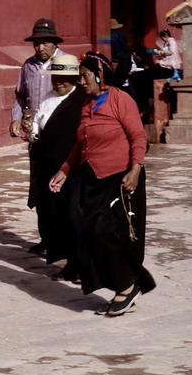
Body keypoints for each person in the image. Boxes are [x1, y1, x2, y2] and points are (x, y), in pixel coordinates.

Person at [49, 52, 156, 317]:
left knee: (106, 232)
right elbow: (81, 144)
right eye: (80, 77)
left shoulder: (121, 100)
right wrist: (65, 169)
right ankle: (121, 283)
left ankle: (128, 284)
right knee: (87, 232)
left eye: (85, 76)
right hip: (93, 180)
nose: (81, 82)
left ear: (99, 76)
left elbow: (138, 137)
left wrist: (135, 169)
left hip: (121, 178)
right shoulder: (87, 105)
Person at [22, 53, 86, 279]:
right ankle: (64, 260)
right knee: (52, 214)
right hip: (47, 166)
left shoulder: (82, 100)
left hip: (71, 168)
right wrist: (30, 129)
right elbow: (38, 126)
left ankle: (79, 264)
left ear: (74, 79)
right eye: (55, 78)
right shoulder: (48, 98)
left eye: (63, 79)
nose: (58, 83)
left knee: (73, 216)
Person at [10, 18, 64, 138]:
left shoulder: (67, 63)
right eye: (36, 44)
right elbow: (20, 96)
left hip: (59, 131)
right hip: (34, 132)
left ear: (55, 43)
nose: (40, 48)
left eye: (45, 43)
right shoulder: (28, 66)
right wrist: (16, 119)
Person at [130, 30, 182, 117]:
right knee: (144, 75)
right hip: (164, 66)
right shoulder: (167, 43)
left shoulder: (171, 41)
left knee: (140, 76)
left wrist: (160, 52)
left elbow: (171, 52)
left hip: (167, 68)